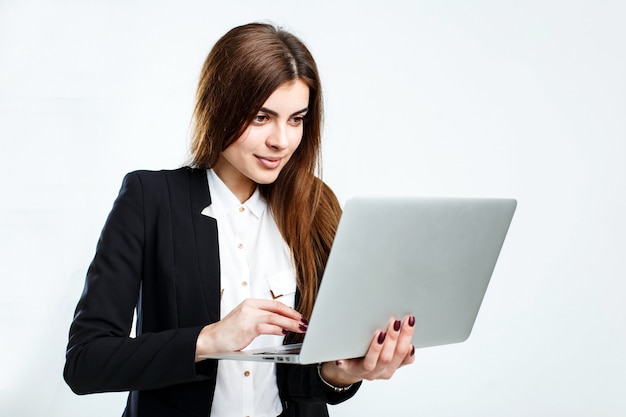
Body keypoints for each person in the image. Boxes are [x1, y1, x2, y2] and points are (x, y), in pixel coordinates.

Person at [63, 22, 416, 417]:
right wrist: (211, 338)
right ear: (220, 106)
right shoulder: (150, 199)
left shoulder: (315, 205)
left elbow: (304, 378)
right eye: (262, 117)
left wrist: (340, 373)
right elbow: (85, 362)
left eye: (296, 119)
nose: (281, 141)